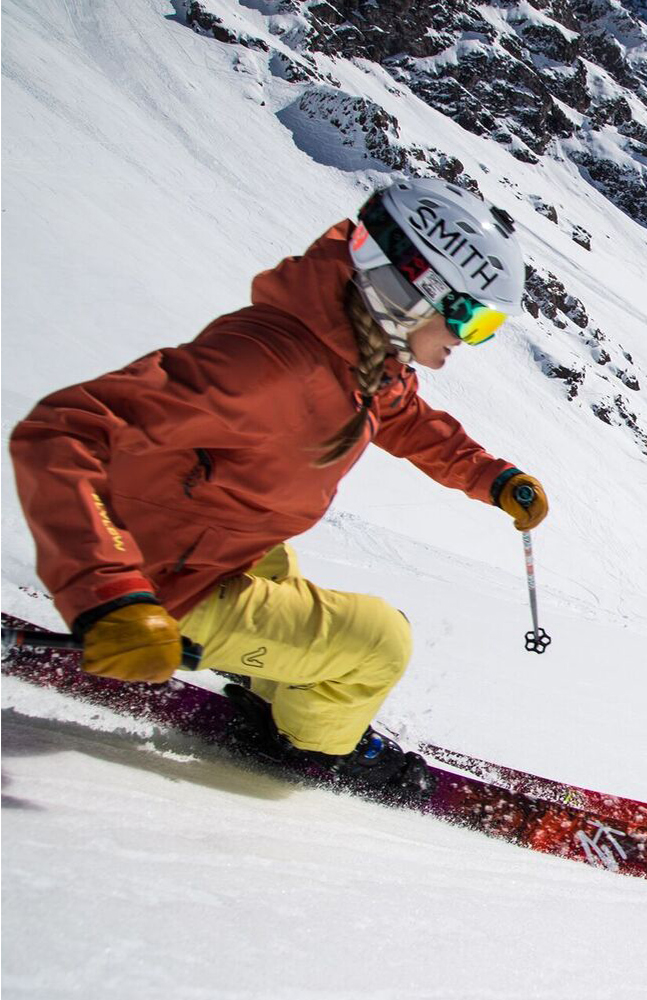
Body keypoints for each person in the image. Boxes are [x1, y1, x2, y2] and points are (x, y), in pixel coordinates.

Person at [8, 177, 549, 801]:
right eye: (472, 319)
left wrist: (492, 478)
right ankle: (311, 749)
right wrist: (111, 596)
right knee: (379, 644)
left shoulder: (359, 354)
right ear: (411, 291)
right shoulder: (266, 367)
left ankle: (279, 682)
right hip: (156, 583)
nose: (467, 341)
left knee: (280, 565)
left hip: (202, 543)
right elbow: (63, 433)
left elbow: (401, 416)